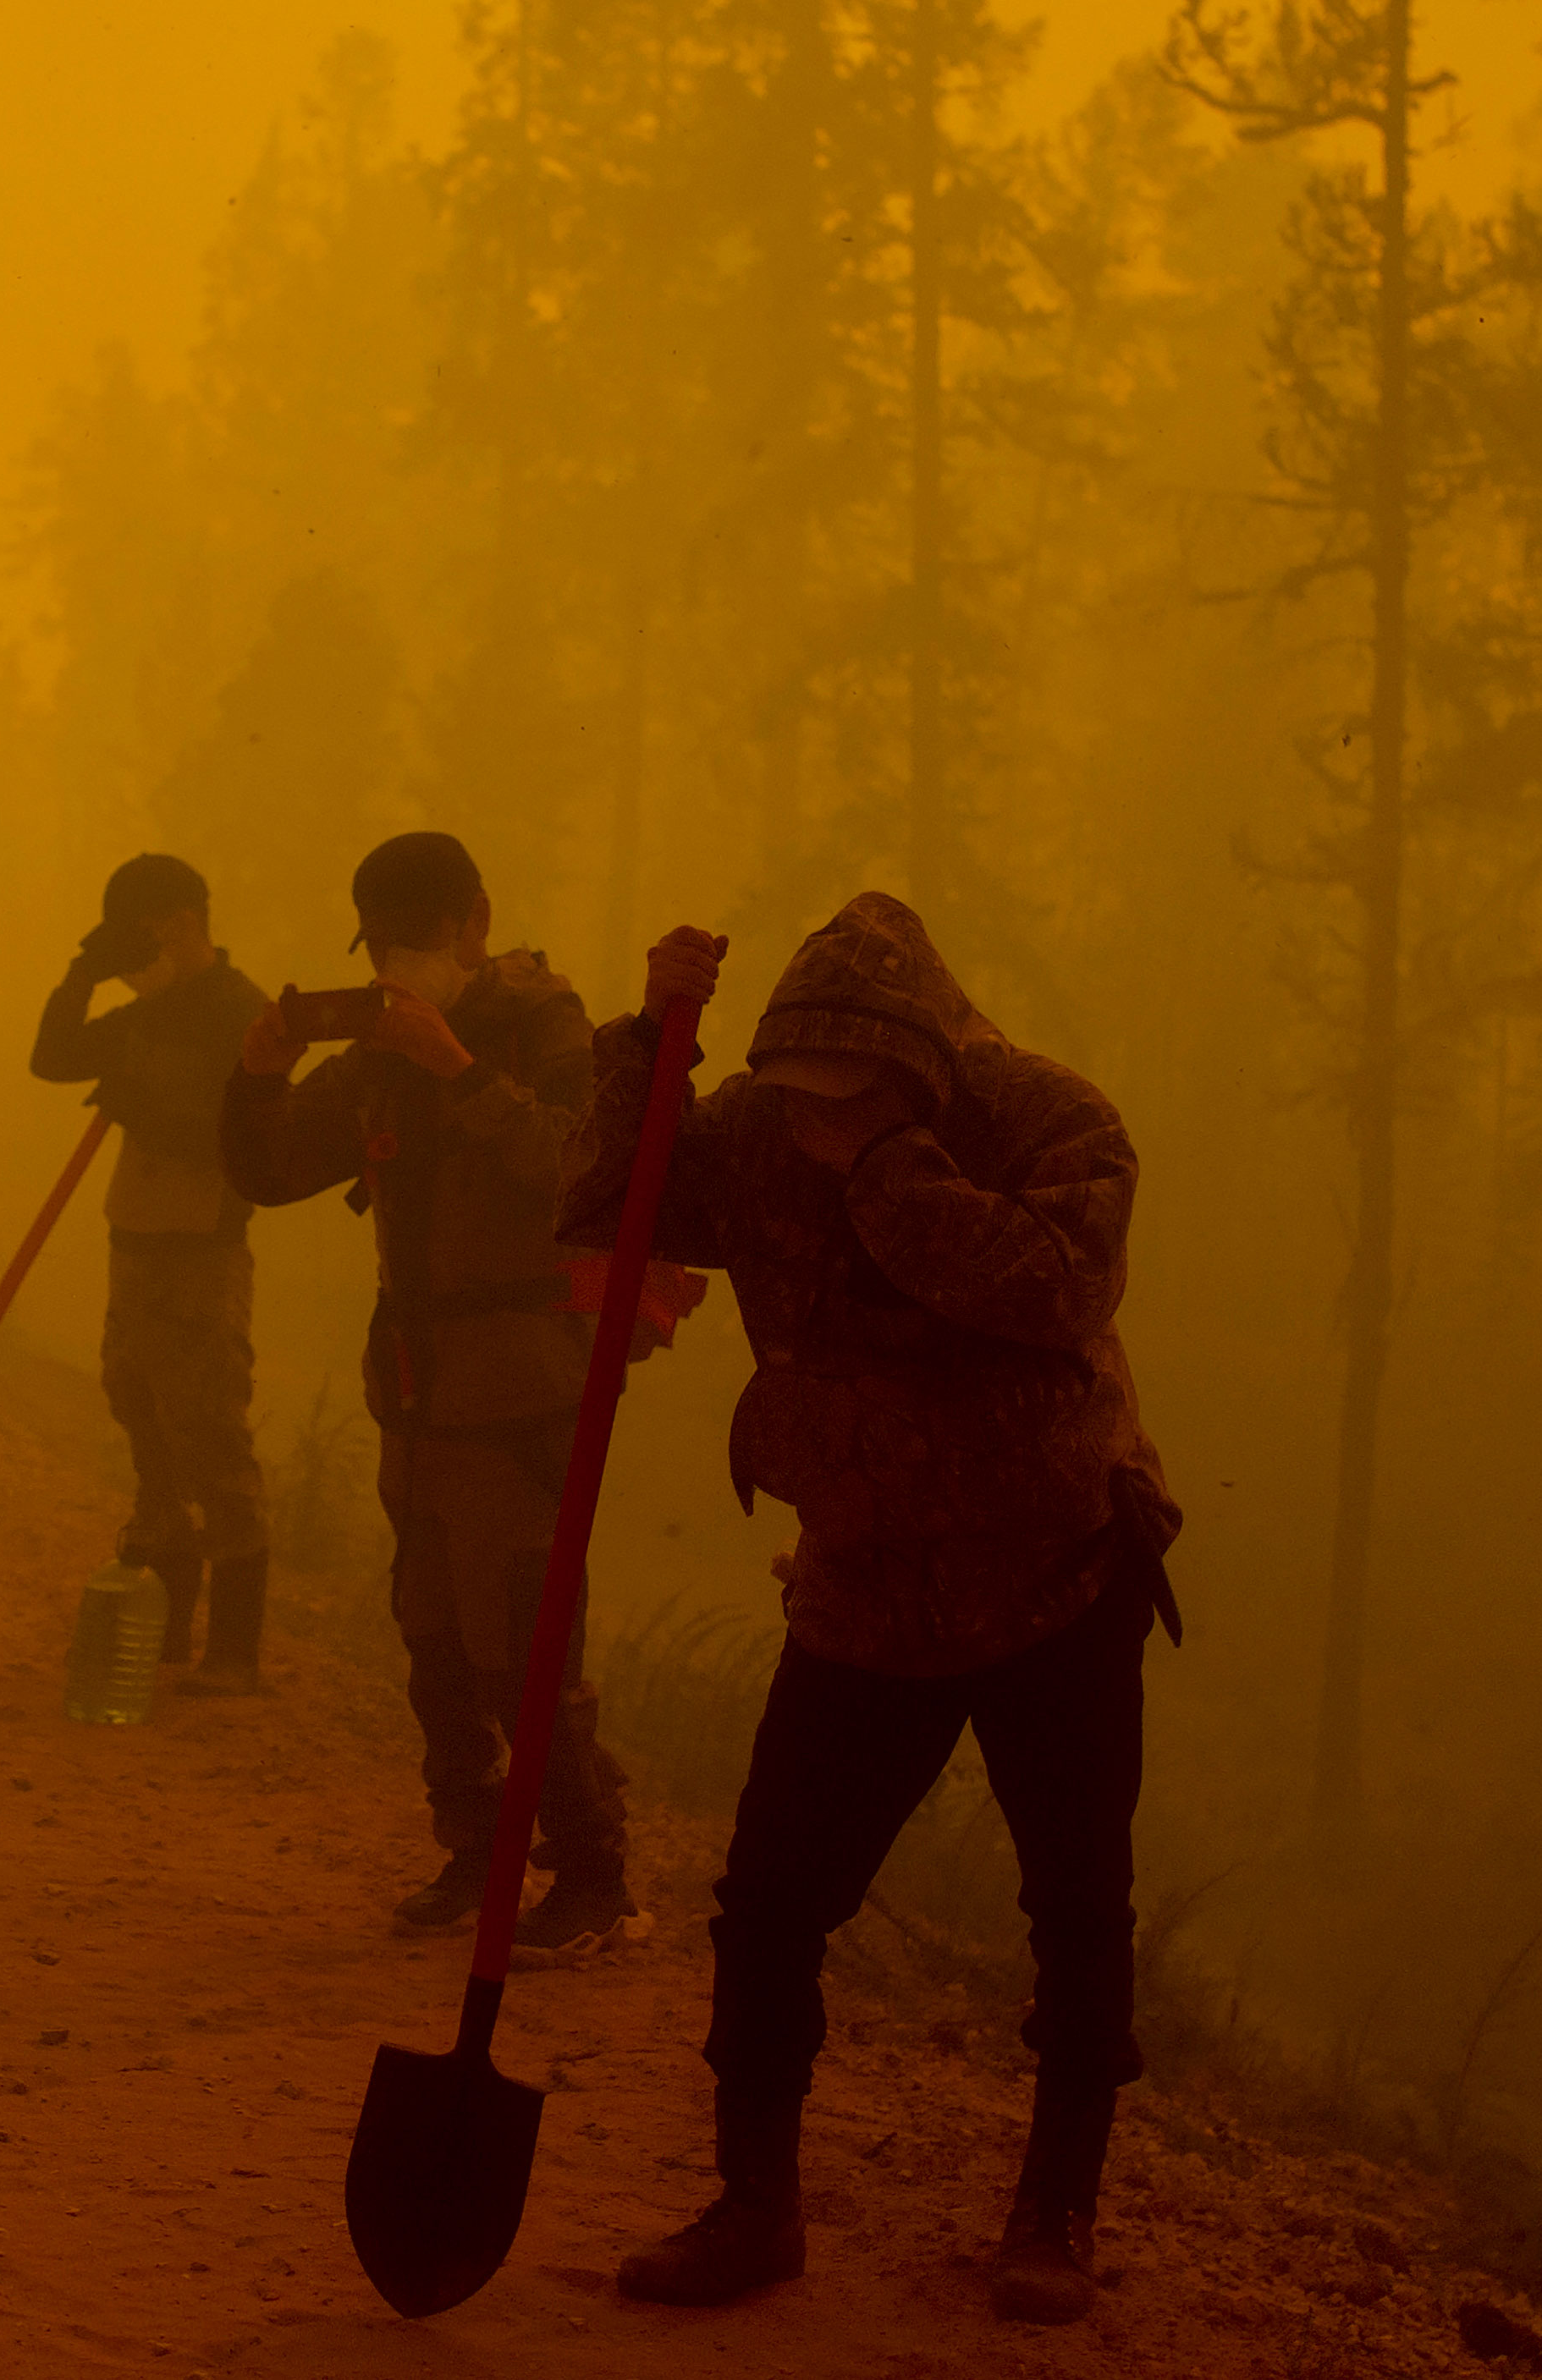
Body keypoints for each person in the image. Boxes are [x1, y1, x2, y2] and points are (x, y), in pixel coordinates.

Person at [567, 895, 1181, 2328]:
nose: (815, 1119)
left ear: (922, 1073)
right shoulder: (759, 1127)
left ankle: (1055, 2208)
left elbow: (1058, 1286)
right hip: (862, 1585)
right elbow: (610, 1206)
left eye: (851, 1095)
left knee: (1078, 1907)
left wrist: (889, 1173)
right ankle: (754, 2198)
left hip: (1060, 1577)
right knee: (772, 1898)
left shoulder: (1050, 1122)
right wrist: (649, 1053)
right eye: (801, 1094)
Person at [221, 830, 642, 1961]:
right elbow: (270, 1171)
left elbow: (579, 1166)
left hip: (520, 1392)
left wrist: (459, 1067)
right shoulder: (378, 1052)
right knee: (434, 1637)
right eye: (384, 947)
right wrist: (257, 1073)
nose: (405, 965)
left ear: (477, 923)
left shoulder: (542, 1025)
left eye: (424, 938)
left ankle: (592, 1866)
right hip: (415, 1394)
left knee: (523, 1637)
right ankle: (473, 1840)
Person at [32, 854, 273, 1690]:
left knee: (208, 1425)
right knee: (136, 1404)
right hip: (133, 1239)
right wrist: (81, 975)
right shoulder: (148, 1009)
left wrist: (138, 1100)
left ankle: (235, 1647)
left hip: (200, 1249)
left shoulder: (241, 1013)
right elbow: (52, 1055)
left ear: (177, 922)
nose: (129, 957)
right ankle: (166, 1620)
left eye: (133, 937)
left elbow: (232, 1136)